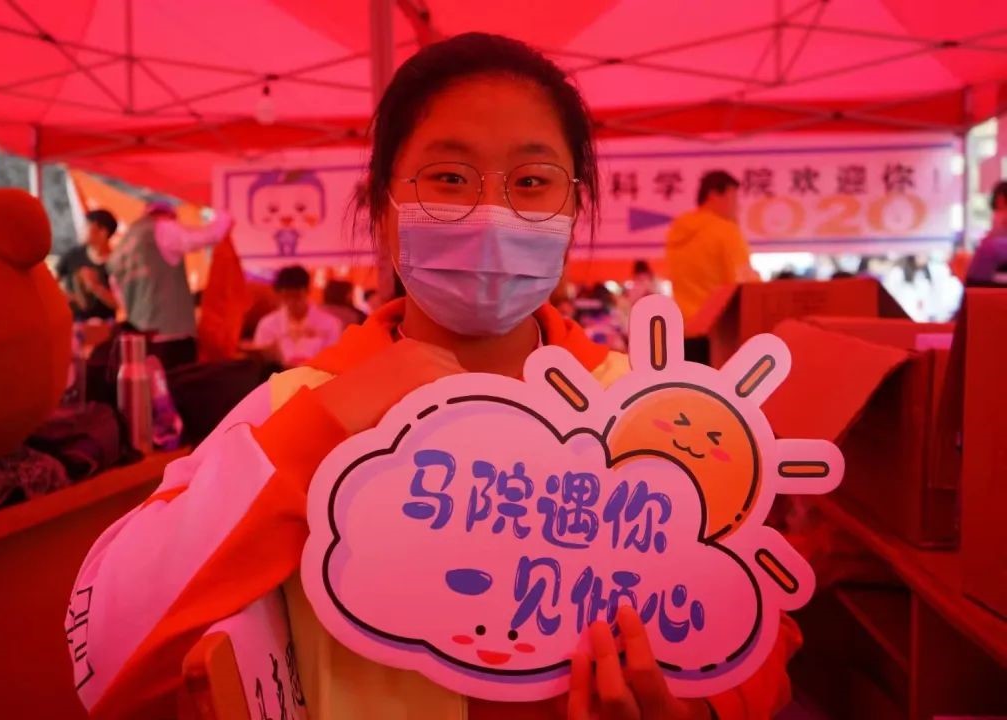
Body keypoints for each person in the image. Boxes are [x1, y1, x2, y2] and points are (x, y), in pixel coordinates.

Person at [69, 33, 800, 720]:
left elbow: (757, 636)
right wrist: (322, 431)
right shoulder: (293, 407)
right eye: (449, 177)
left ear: (575, 209)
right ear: (381, 211)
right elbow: (107, 652)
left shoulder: (656, 415)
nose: (491, 214)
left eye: (532, 181)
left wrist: (697, 707)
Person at [107, 201, 232, 369]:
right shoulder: (162, 228)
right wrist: (225, 215)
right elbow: (208, 236)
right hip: (172, 337)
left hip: (140, 339)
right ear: (167, 215)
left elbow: (119, 295)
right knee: (177, 383)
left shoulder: (124, 245)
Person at [665, 171, 758, 321]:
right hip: (719, 326)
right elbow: (745, 287)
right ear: (714, 195)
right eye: (733, 198)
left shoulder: (677, 230)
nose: (737, 206)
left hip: (685, 324)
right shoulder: (725, 231)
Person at [253, 265, 343, 368]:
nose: (292, 301)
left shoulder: (330, 324)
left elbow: (334, 361)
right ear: (279, 295)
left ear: (307, 291)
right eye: (286, 296)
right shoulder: (267, 325)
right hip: (279, 376)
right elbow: (260, 361)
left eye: (296, 296)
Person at [56, 209, 119, 322]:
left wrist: (95, 286)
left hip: (103, 327)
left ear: (103, 232)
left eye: (86, 226)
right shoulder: (73, 255)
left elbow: (118, 304)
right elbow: (52, 282)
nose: (81, 230)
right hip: (70, 323)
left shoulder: (116, 263)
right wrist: (62, 296)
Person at [966, 180, 1007, 287]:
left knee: (988, 248)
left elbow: (995, 235)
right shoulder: (999, 215)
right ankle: (974, 284)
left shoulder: (1001, 215)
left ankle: (975, 285)